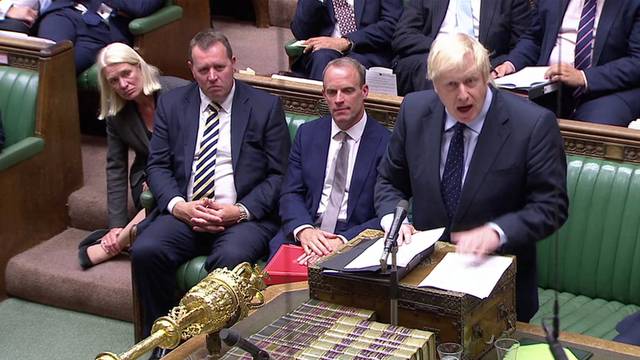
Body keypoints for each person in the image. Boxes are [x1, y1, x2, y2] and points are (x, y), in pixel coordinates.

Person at [375, 33, 568, 322]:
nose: (463, 94)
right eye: (451, 85)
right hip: (423, 285)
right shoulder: (414, 112)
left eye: (471, 81)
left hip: (498, 291)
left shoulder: (533, 125)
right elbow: (389, 181)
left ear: (487, 76)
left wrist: (497, 232)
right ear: (436, 86)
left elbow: (551, 206)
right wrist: (394, 219)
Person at [130, 30, 291, 359]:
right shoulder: (174, 104)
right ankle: (167, 343)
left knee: (229, 262)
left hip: (241, 218)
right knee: (146, 250)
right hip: (186, 214)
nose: (213, 76)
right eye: (204, 70)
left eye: (219, 67)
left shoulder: (264, 107)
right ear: (192, 68)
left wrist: (240, 210)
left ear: (233, 63)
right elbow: (157, 166)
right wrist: (179, 206)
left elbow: (280, 176)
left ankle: (216, 346)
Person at [76, 42, 188, 270]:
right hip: (145, 180)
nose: (123, 85)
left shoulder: (179, 92)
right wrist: (115, 224)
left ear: (140, 66)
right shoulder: (116, 114)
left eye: (126, 74)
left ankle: (121, 241)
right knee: (157, 191)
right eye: (114, 81)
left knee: (168, 188)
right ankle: (124, 234)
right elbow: (115, 167)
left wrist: (162, 179)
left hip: (186, 171)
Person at [269, 57, 390, 264]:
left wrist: (346, 240)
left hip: (355, 236)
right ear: (324, 95)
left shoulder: (387, 143)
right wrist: (303, 229)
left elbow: (387, 211)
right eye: (332, 92)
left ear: (365, 92)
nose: (339, 99)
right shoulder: (307, 134)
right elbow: (290, 193)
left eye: (348, 91)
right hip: (307, 231)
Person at [492, 0, 640, 126]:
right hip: (548, 85)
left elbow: (637, 61)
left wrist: (583, 77)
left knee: (594, 125)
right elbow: (535, 38)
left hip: (607, 90)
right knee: (506, 110)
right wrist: (511, 64)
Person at [391, 0, 532, 95]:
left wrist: (508, 65)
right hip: (431, 57)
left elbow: (524, 42)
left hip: (484, 61)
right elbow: (403, 36)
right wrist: (445, 49)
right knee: (438, 69)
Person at [37, 0, 164, 74]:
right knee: (46, 57)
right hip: (66, 11)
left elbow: (139, 7)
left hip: (101, 30)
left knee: (58, 69)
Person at [290, 0, 403, 80]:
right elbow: (301, 33)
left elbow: (392, 25)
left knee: (349, 66)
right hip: (324, 52)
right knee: (322, 58)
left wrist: (346, 41)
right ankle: (323, 112)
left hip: (367, 51)